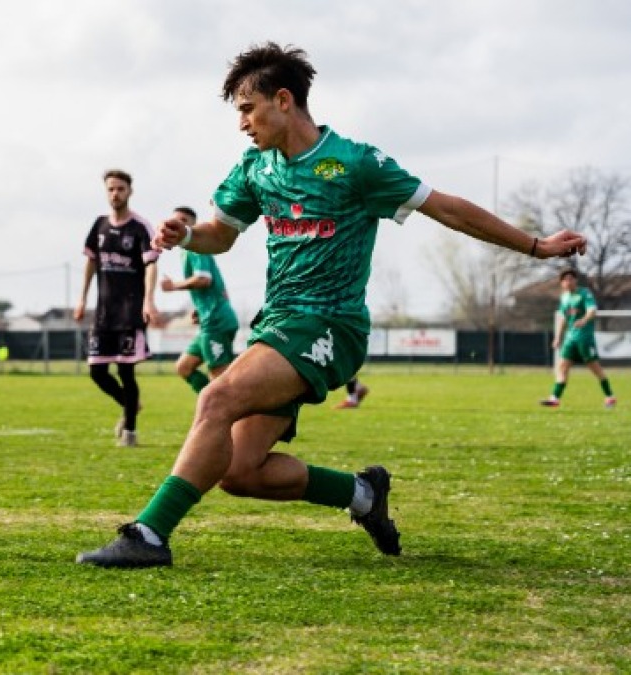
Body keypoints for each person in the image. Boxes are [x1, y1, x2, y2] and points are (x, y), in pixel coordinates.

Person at [76, 42, 586, 568]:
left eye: (247, 110)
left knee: (215, 398)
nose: (242, 124)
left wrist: (536, 246)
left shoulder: (354, 163)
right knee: (240, 471)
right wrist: (186, 235)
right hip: (277, 325)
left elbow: (448, 209)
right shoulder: (256, 168)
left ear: (282, 101)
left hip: (330, 325)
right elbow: (220, 236)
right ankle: (363, 494)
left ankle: (150, 535)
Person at [74, 170, 160, 448]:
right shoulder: (98, 226)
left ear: (129, 191)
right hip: (104, 312)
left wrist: (149, 300)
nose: (115, 194)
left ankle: (130, 434)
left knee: (126, 372)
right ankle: (130, 405)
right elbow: (90, 262)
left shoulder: (140, 227)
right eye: (111, 189)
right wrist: (82, 299)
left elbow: (151, 264)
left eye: (120, 189)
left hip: (130, 311)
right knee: (97, 371)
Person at [160, 206, 239, 394]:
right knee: (184, 367)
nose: (176, 226)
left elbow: (204, 279)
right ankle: (216, 408)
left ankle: (228, 415)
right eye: (173, 221)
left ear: (193, 226)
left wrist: (173, 286)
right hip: (209, 319)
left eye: (183, 221)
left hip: (216, 321)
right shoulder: (188, 251)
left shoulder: (195, 248)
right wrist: (199, 308)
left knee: (219, 378)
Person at [540, 269, 616, 408]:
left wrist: (584, 320)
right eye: (565, 279)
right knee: (562, 367)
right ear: (562, 283)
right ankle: (555, 398)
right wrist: (557, 337)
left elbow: (592, 311)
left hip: (584, 338)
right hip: (570, 338)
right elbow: (563, 318)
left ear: (575, 280)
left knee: (595, 368)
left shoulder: (584, 293)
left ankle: (610, 396)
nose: (568, 282)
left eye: (571, 279)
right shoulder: (564, 297)